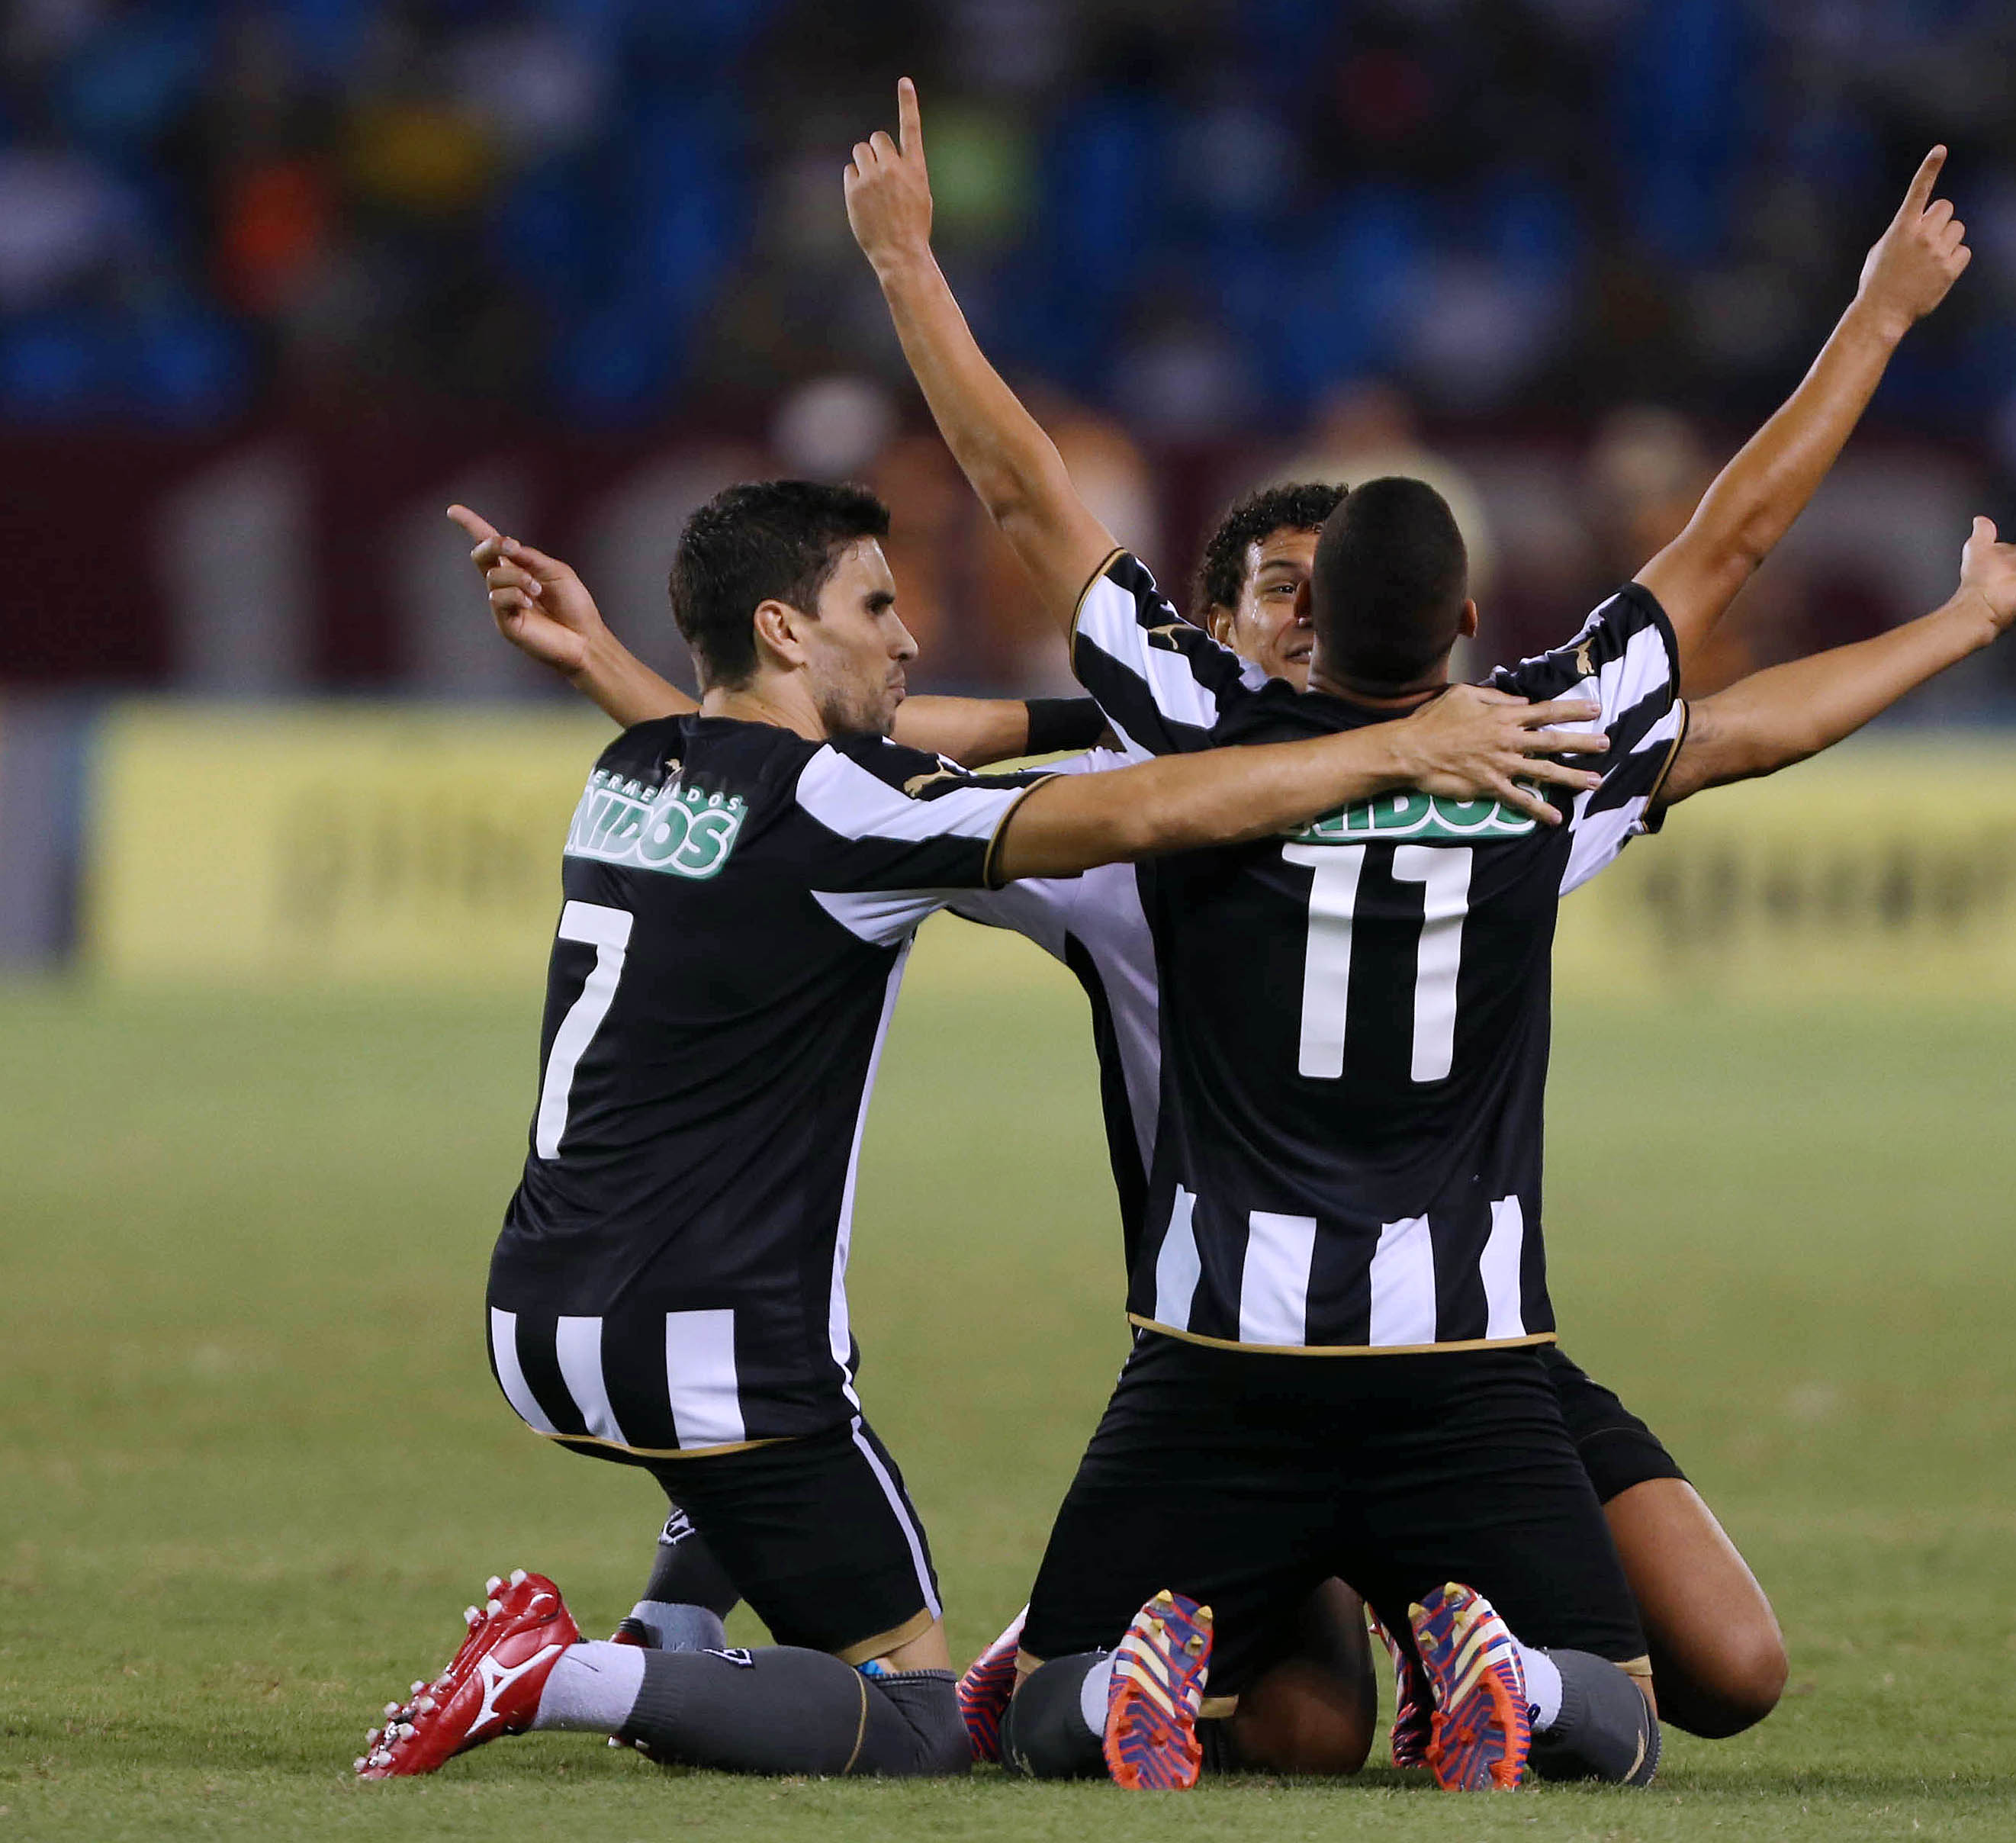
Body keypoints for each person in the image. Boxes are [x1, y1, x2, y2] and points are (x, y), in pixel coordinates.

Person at [843, 79, 2016, 1792]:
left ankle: (1147, 1659)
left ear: (1306, 616)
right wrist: (1879, 312)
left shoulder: (1185, 743)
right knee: (1616, 1712)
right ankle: (1500, 1667)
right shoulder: (1540, 755)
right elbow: (1730, 547)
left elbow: (1020, 492)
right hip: (1460, 1358)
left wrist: (907, 266)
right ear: (1464, 621)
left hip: (1221, 1354)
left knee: (1046, 1702)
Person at [349, 477, 1609, 1783]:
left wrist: (602, 665)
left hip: (537, 1309)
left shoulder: (637, 766)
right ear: (784, 627)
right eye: (876, 606)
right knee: (918, 1718)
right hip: (746, 1348)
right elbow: (1129, 810)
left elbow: (787, 760)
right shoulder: (905, 803)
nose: (908, 635)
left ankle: (675, 1619)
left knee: (1302, 1730)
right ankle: (561, 1671)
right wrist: (1399, 751)